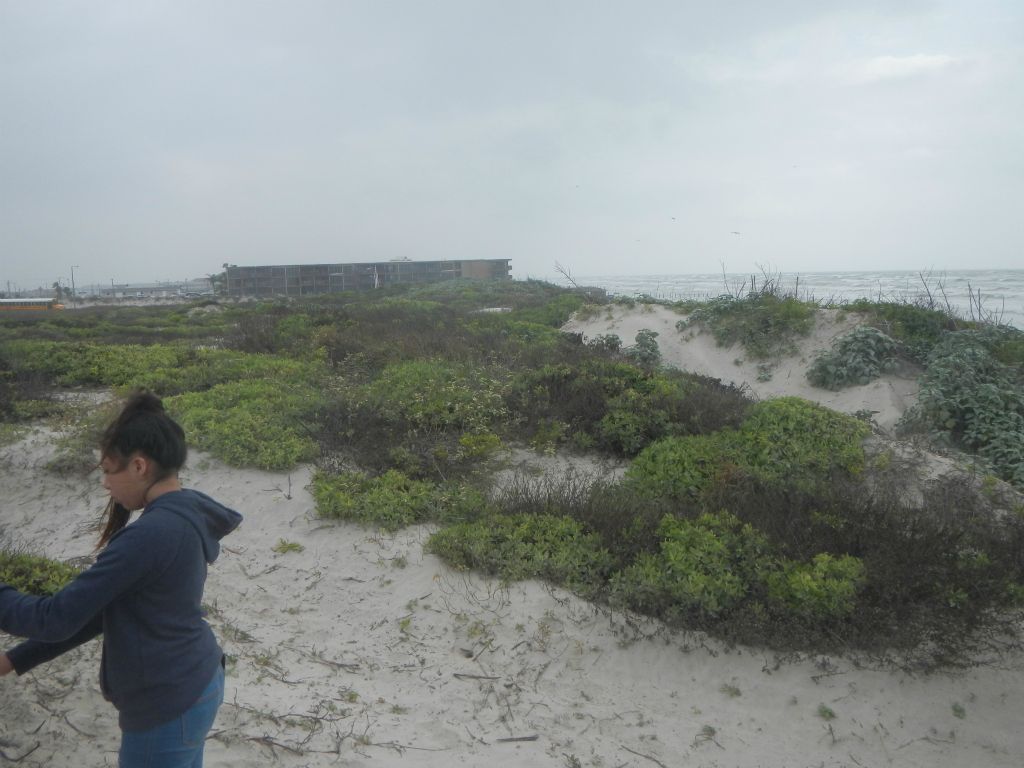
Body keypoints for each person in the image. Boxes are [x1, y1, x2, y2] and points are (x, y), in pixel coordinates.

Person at [0, 392, 242, 767]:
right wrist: (15, 659)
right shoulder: (185, 511)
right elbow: (99, 613)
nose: (105, 483)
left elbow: (53, 617)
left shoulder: (152, 534)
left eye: (108, 469)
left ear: (139, 466)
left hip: (169, 701)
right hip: (197, 681)